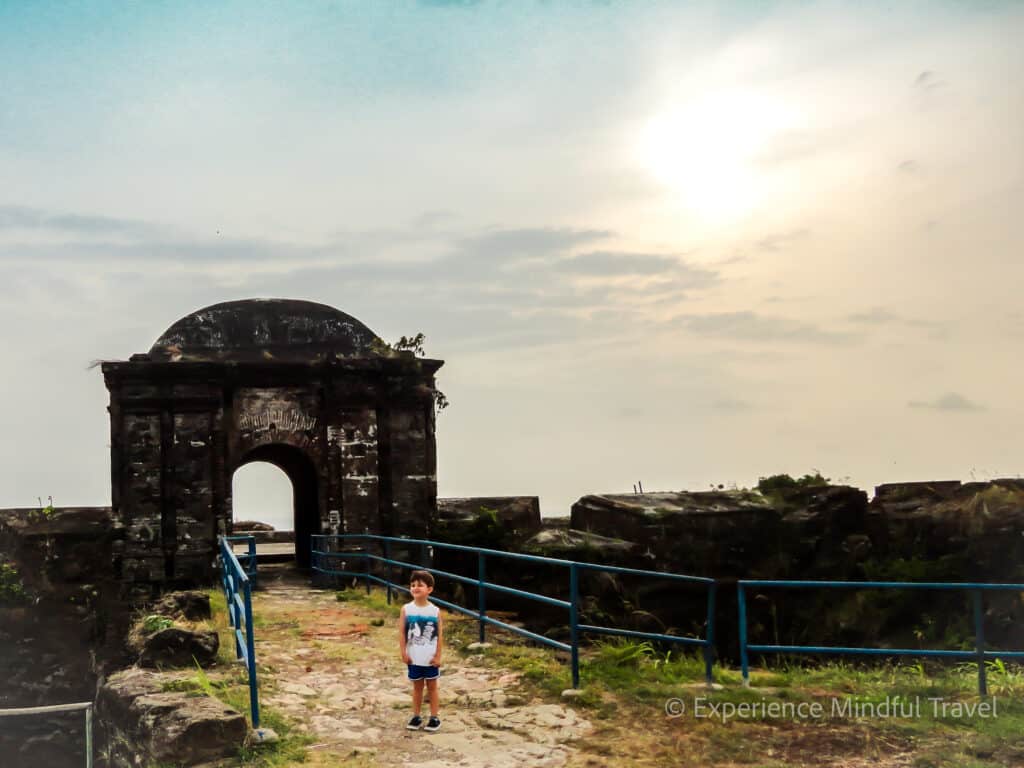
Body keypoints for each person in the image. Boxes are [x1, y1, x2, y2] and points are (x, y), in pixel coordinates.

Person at [399, 569, 443, 731]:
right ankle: (416, 716)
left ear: (429, 589)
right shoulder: (406, 609)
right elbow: (402, 632)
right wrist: (403, 652)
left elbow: (439, 635)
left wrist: (438, 656)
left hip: (430, 657)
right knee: (417, 687)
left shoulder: (435, 611)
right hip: (414, 656)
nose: (415, 588)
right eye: (412, 585)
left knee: (432, 686)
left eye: (420, 585)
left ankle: (434, 717)